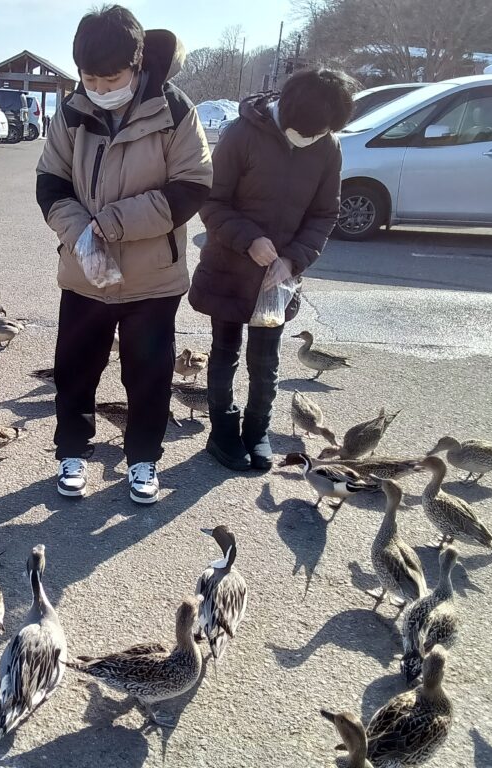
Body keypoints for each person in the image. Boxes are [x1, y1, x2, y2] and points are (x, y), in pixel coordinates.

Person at [36, 4, 212, 504]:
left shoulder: (175, 110)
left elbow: (192, 187)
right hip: (85, 272)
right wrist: (81, 233)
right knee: (75, 370)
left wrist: (113, 222)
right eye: (89, 77)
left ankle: (143, 460)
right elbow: (50, 181)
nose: (99, 87)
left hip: (152, 278)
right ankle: (72, 452)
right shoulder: (72, 111)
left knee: (148, 376)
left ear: (137, 65)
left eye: (110, 78)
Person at [188, 68, 358, 471]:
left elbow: (324, 214)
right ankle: (222, 432)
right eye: (304, 132)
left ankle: (257, 430)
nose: (309, 139)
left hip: (278, 279)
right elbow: (211, 201)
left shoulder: (328, 146)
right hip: (229, 268)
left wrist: (294, 259)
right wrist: (249, 239)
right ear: (287, 110)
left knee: (266, 361)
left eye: (320, 133)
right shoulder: (242, 134)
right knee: (225, 352)